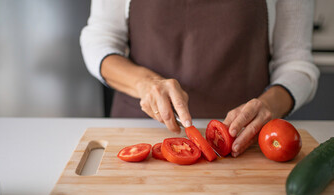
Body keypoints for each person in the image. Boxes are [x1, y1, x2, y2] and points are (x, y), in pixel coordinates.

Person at [80, 0, 319, 157]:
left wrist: (269, 104)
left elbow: (296, 62)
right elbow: (98, 40)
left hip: (244, 142)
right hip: (139, 130)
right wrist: (144, 83)